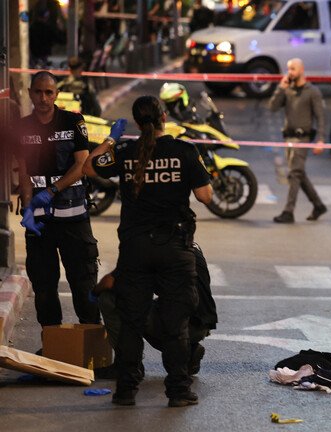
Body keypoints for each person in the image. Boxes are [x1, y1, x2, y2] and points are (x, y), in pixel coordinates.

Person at [83, 95, 213, 408]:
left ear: (137, 123)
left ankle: (126, 391)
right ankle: (178, 391)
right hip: (173, 248)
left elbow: (88, 166)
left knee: (131, 320)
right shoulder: (184, 151)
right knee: (175, 324)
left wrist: (111, 140)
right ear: (164, 117)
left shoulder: (126, 153)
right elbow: (206, 196)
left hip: (135, 249)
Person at [16, 71, 101, 338]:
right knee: (43, 287)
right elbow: (24, 173)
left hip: (74, 218)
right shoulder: (22, 127)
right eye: (38, 92)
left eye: (48, 92)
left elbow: (81, 165)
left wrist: (52, 190)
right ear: (30, 93)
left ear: (56, 94)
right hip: (41, 223)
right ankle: (52, 345)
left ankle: (91, 349)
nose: (43, 98)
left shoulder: (72, 121)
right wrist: (27, 208)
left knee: (84, 284)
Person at [92, 243, 218, 379]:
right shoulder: (189, 244)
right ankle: (188, 353)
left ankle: (128, 364)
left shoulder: (150, 249)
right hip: (202, 323)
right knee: (160, 307)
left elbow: (110, 281)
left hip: (179, 323)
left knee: (110, 299)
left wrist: (93, 293)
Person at [269, 58, 328, 224]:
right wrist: (280, 89)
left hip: (303, 138)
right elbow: (272, 107)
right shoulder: (287, 89)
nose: (290, 72)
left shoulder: (312, 91)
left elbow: (320, 117)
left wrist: (321, 139)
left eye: (293, 69)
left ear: (302, 70)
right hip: (288, 137)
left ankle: (288, 211)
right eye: (288, 69)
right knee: (299, 173)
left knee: (294, 173)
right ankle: (318, 205)